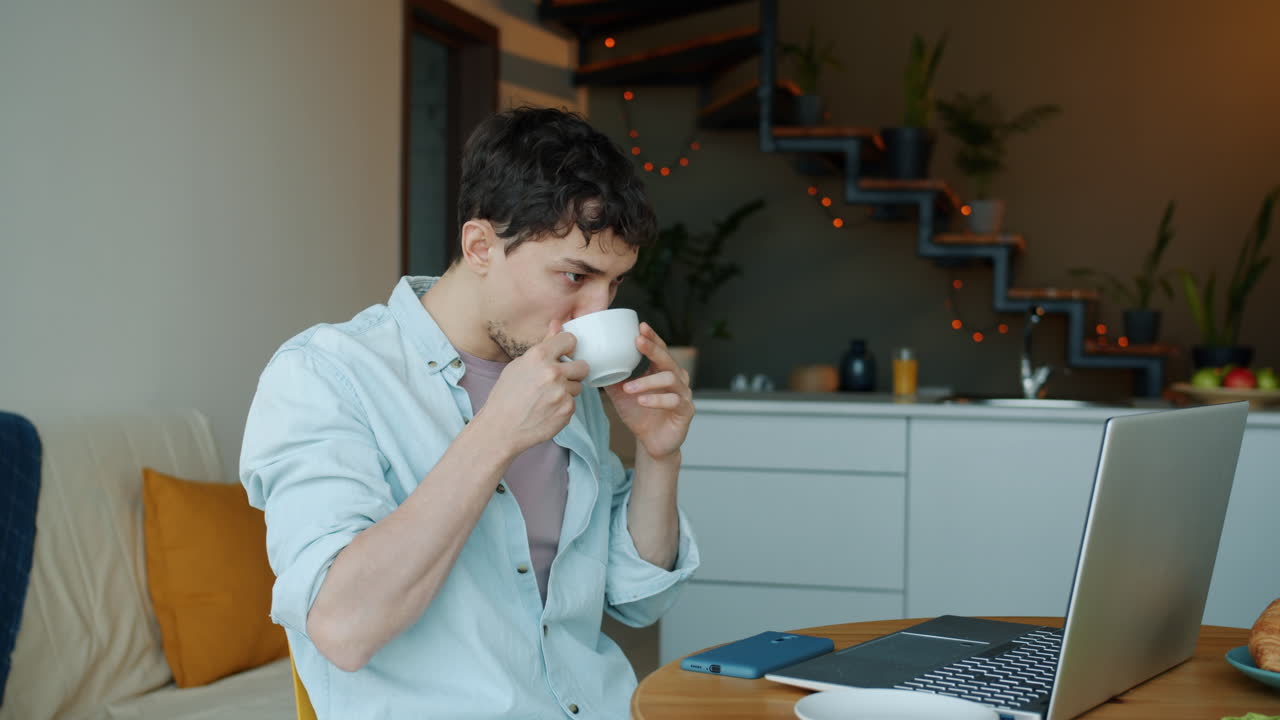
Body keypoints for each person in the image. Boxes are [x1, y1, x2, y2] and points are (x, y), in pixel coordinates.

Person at [240, 106, 700, 719]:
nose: (594, 310)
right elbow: (343, 629)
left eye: (613, 285)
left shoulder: (559, 377)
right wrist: (496, 435)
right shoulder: (326, 376)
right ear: (480, 244)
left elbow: (635, 601)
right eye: (574, 275)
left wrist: (658, 455)